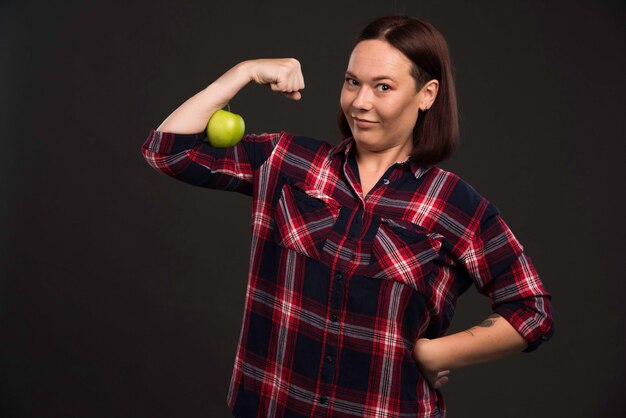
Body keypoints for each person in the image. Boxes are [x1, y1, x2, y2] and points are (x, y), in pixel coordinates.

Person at [142, 15, 554, 418]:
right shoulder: (287, 161)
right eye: (352, 81)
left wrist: (435, 352)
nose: (360, 101)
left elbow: (531, 310)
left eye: (384, 87)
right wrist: (244, 72)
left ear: (427, 94)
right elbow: (167, 151)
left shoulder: (454, 205)